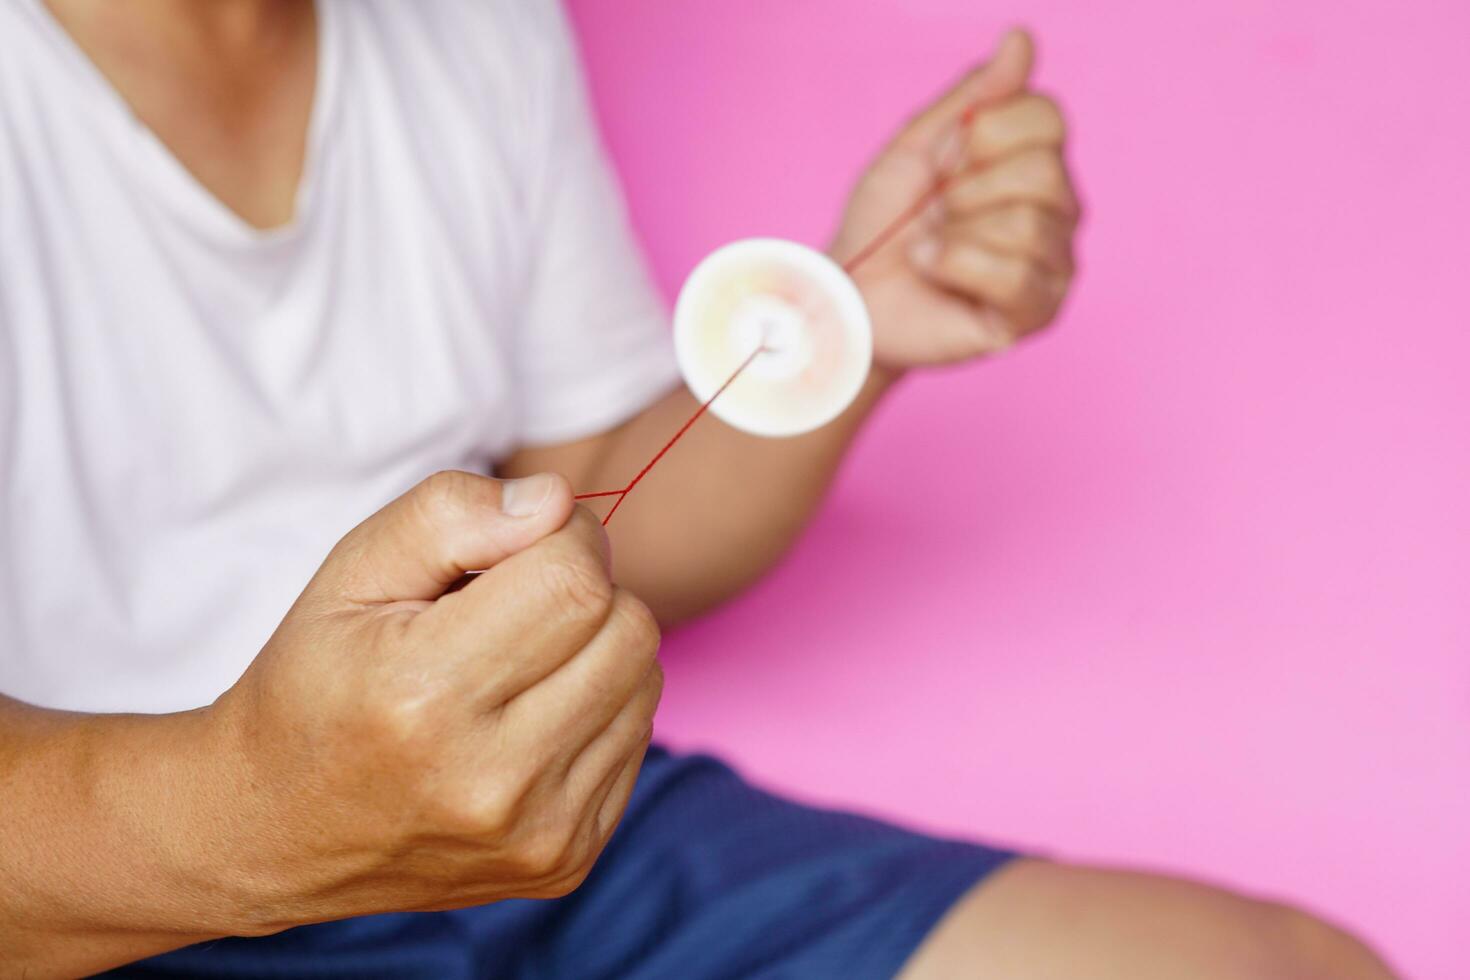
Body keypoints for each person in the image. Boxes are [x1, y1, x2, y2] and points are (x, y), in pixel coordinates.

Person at [0, 1, 1396, 977]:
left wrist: (849, 328)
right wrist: (267, 813)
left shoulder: (478, 28)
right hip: (109, 904)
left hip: (536, 830)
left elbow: (607, 513)